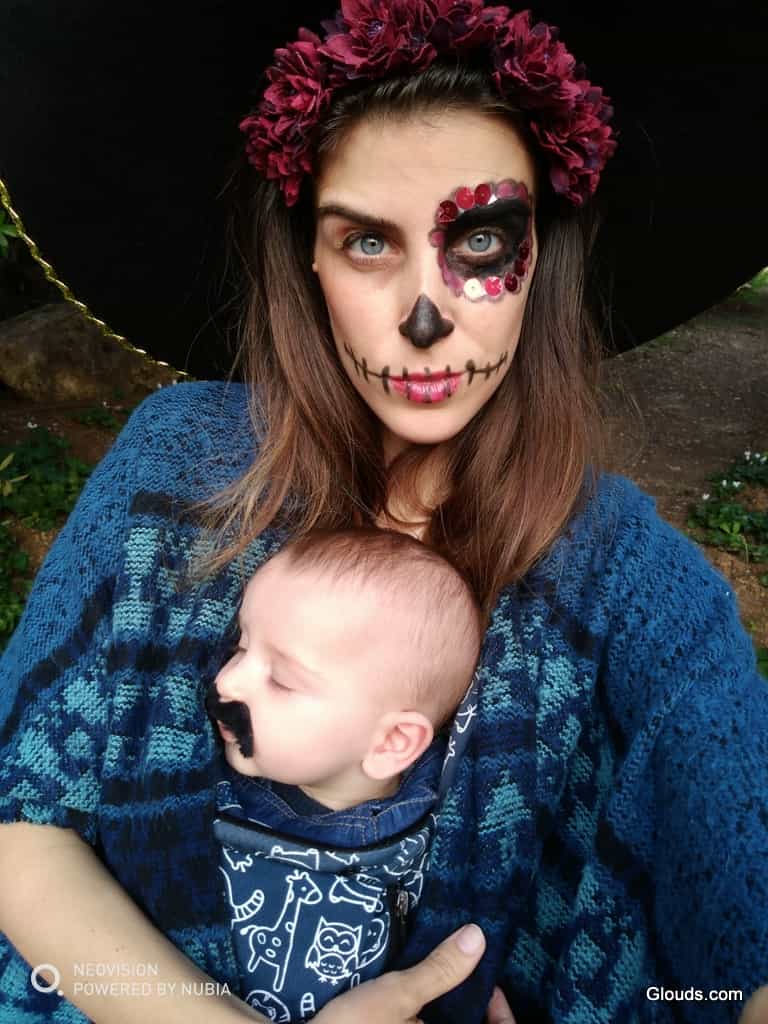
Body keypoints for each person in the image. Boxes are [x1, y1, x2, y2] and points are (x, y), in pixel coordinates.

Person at [1, 2, 766, 1023]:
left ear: (543, 256)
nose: (424, 317)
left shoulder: (635, 584)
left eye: (482, 239)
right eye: (367, 241)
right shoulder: (176, 467)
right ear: (308, 260)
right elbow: (19, 824)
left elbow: (742, 918)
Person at [204, 527, 482, 1020]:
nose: (226, 681)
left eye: (282, 680)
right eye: (241, 648)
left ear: (392, 743)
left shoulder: (444, 842)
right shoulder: (194, 786)